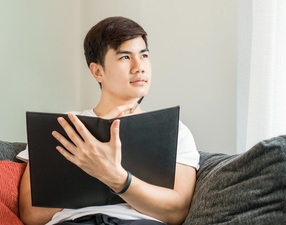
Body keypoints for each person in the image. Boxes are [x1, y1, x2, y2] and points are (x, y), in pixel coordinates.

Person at [17, 16, 200, 225]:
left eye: (144, 55)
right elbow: (31, 216)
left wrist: (117, 178)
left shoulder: (174, 131)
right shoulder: (61, 128)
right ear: (97, 71)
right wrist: (87, 166)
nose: (139, 67)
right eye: (125, 57)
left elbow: (176, 212)